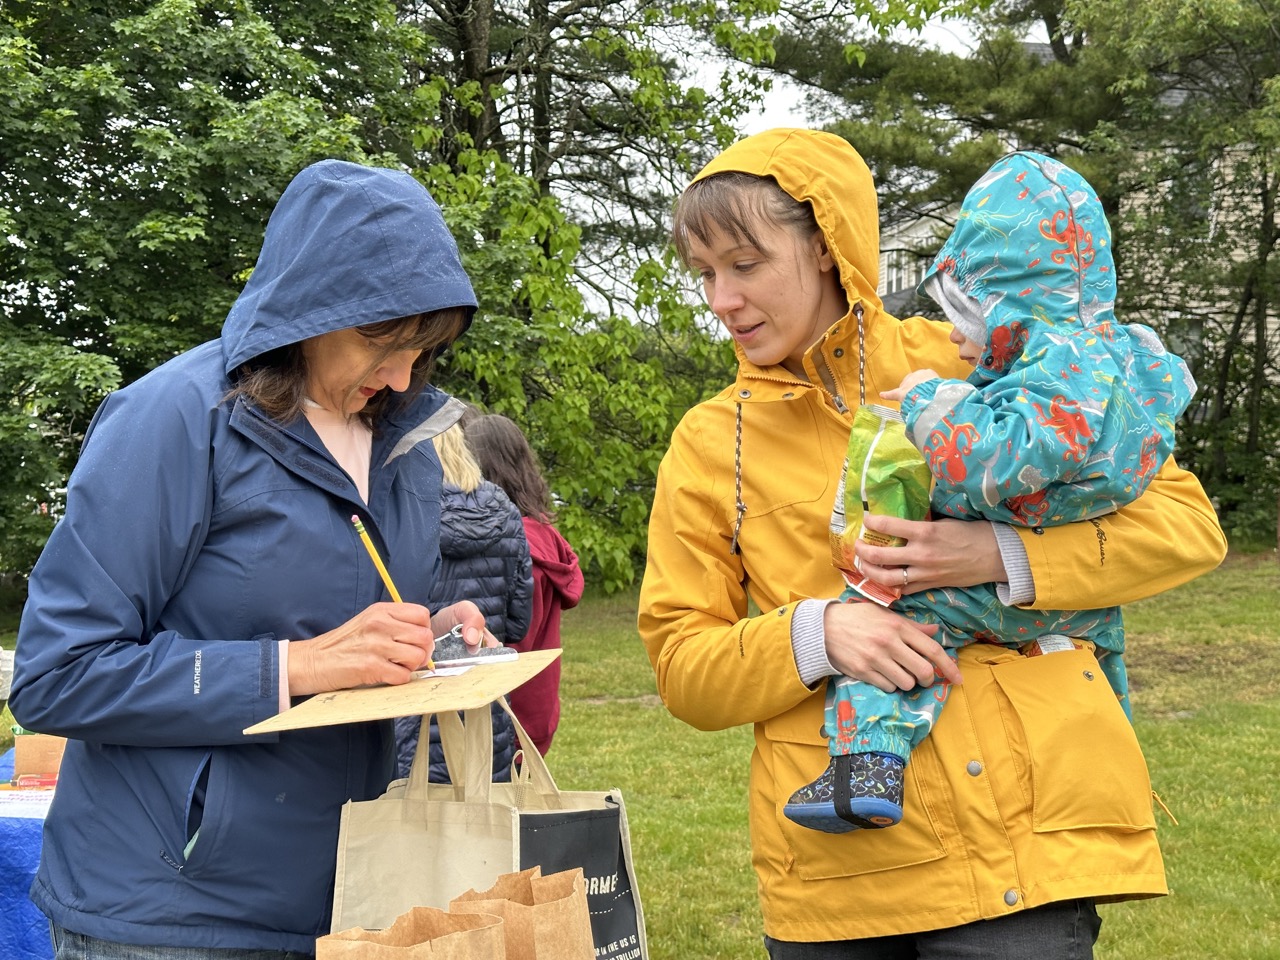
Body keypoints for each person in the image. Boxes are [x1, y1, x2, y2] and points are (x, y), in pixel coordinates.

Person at [638, 128, 1227, 958]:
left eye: (745, 264)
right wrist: (819, 635)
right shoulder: (708, 443)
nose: (720, 299)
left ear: (824, 247)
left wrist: (1001, 557)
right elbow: (683, 667)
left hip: (1018, 856)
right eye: (704, 273)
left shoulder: (969, 358)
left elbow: (1185, 528)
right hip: (837, 878)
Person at [9, 159, 497, 958]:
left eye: (425, 347)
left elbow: (345, 624)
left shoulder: (401, 436)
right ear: (309, 307)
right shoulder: (172, 420)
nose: (402, 374)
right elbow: (57, 676)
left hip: (348, 899)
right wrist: (292, 668)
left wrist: (434, 635)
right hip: (168, 914)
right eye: (382, 339)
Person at [784, 150, 1198, 834]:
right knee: (1105, 667)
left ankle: (868, 766)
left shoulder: (1053, 376)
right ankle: (1115, 788)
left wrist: (929, 406)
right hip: (1082, 598)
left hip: (984, 589)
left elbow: (1000, 463)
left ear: (1008, 302)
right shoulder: (1117, 365)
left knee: (894, 623)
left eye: (967, 314)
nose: (954, 336)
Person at [392, 423, 535, 782]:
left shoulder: (404, 516)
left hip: (418, 709)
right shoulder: (504, 509)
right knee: (486, 823)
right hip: (484, 706)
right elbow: (518, 622)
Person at [465, 413, 584, 755]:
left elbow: (514, 642)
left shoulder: (519, 548)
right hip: (537, 708)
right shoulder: (544, 534)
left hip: (512, 715)